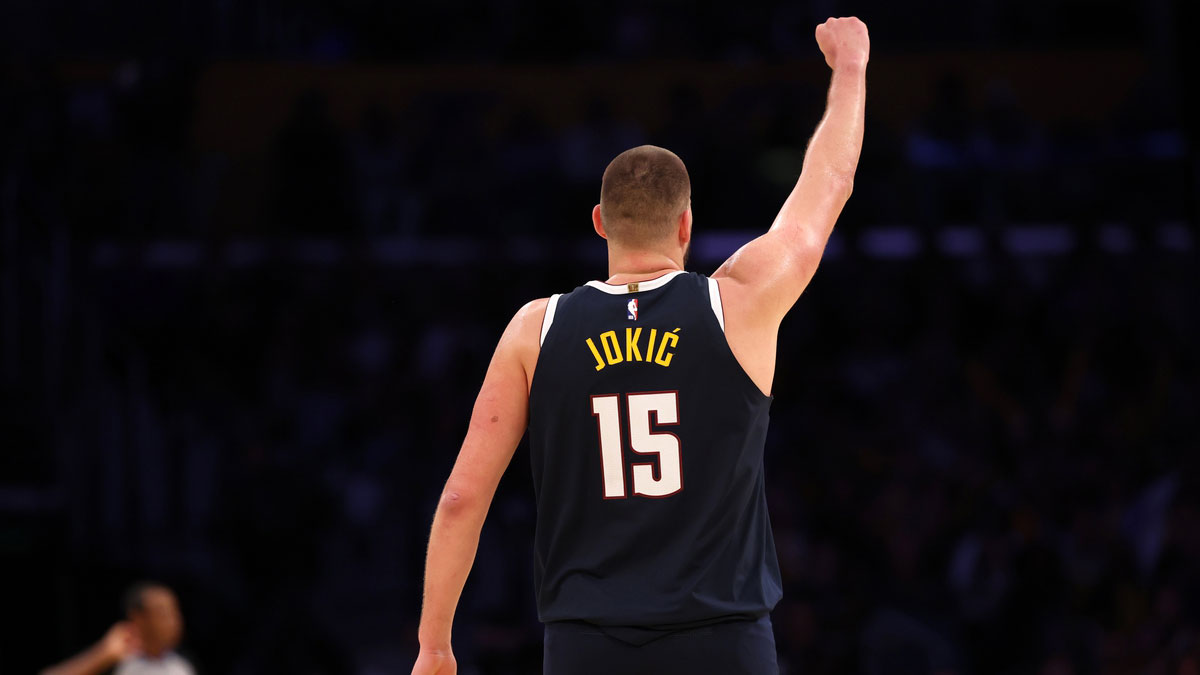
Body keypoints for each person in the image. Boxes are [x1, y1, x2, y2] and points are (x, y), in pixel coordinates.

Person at [412, 16, 869, 675]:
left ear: (600, 222)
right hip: (726, 639)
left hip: (587, 645)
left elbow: (461, 498)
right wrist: (851, 66)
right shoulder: (737, 303)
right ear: (686, 223)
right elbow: (828, 186)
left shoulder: (534, 329)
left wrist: (434, 646)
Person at [42, 582, 196, 675]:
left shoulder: (180, 665)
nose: (175, 621)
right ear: (138, 618)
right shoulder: (117, 661)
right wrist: (103, 655)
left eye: (175, 612)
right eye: (163, 614)